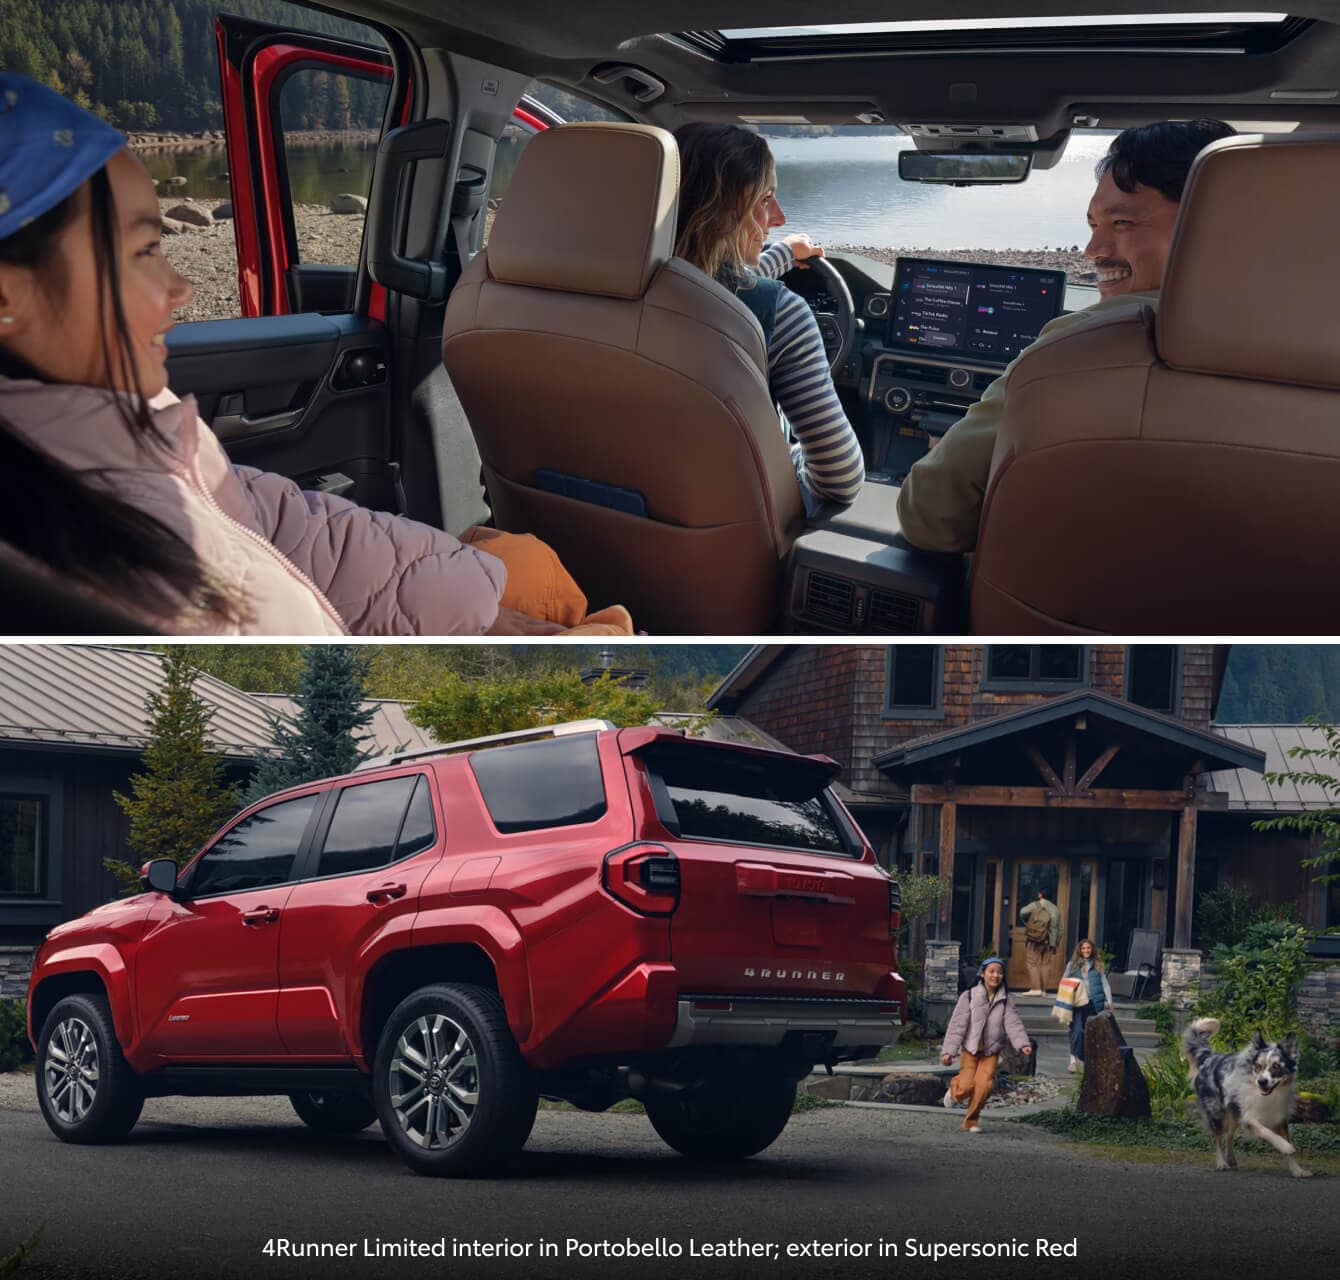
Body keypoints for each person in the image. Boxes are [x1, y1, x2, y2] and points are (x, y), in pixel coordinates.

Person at [0, 74, 630, 638]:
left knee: (523, 567)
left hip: (382, 585)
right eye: (143, 251)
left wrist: (468, 598)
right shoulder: (87, 557)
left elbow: (272, 518)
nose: (181, 289)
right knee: (572, 606)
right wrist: (479, 614)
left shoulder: (117, 414)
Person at [895, 119, 1237, 552]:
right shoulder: (1305, 342)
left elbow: (931, 516)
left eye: (1123, 223)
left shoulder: (1077, 347)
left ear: (1211, 222)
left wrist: (949, 457)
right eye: (1093, 224)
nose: (1093, 250)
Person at [672, 123, 864, 512]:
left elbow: (711, 280)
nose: (779, 217)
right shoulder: (784, 315)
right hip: (732, 527)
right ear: (721, 213)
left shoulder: (598, 292)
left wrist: (786, 253)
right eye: (765, 200)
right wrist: (789, 456)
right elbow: (841, 478)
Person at [940, 957, 1031, 1133]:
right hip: (970, 1050)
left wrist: (1022, 1044)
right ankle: (953, 1092)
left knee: (984, 1086)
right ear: (982, 974)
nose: (996, 975)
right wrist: (949, 1051)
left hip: (990, 1052)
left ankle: (971, 1121)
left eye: (999, 972)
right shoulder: (969, 996)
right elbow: (957, 1025)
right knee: (966, 1087)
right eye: (991, 971)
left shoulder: (1005, 999)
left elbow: (1013, 1023)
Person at [1061, 938, 1113, 1073]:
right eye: (1083, 948)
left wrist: (1110, 1000)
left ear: (1092, 950)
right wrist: (1063, 1000)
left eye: (1088, 948)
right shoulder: (1072, 964)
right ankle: (1073, 1061)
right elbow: (1063, 982)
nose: (1086, 951)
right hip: (1076, 1003)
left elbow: (1104, 983)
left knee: (1089, 1032)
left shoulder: (1098, 964)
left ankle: (1085, 1061)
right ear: (1079, 950)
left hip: (1092, 1003)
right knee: (1076, 1031)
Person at [1019, 889, 1061, 995]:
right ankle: (1043, 990)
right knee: (1045, 965)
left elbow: (1022, 912)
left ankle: (1035, 989)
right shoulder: (1055, 909)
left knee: (1032, 963)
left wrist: (1027, 922)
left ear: (1041, 895)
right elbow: (1060, 930)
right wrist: (1055, 943)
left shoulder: (1036, 905)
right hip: (1049, 941)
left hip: (1035, 939)